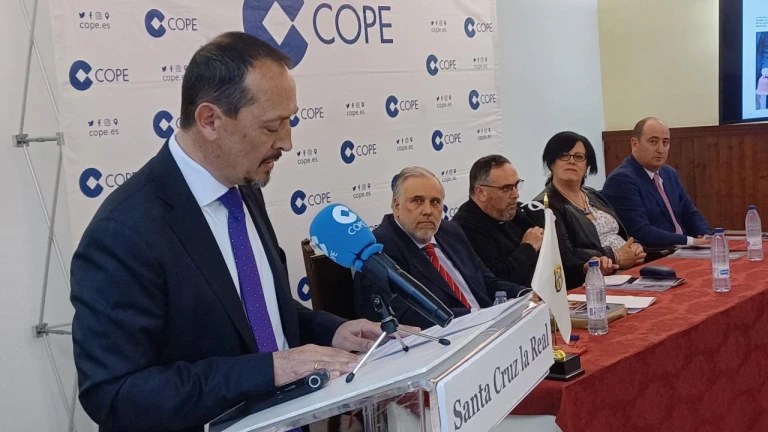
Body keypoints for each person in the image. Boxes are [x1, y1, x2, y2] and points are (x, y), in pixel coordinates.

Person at [69, 32, 412, 432]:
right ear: (210, 120)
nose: (287, 142)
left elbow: (257, 311)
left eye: (290, 120)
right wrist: (270, 370)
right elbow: (116, 395)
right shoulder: (123, 232)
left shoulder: (243, 186)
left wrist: (332, 331)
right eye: (271, 127)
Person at [353, 166, 528, 330]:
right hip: (447, 338)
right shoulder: (379, 248)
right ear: (397, 206)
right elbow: (404, 316)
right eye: (417, 201)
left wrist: (524, 295)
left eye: (435, 202)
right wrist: (478, 315)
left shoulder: (449, 230)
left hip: (490, 326)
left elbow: (486, 279)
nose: (428, 211)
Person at [535, 132, 646, 289]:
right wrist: (615, 257)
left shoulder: (592, 194)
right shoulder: (545, 205)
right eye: (564, 156)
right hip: (592, 281)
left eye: (579, 157)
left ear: (587, 166)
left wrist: (634, 248)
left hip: (628, 271)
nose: (571, 161)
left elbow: (622, 233)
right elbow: (566, 256)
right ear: (551, 163)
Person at [602, 117, 711, 247]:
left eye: (665, 143)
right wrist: (691, 241)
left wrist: (706, 235)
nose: (661, 149)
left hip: (683, 248)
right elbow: (641, 231)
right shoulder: (621, 179)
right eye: (653, 142)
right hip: (656, 252)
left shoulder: (669, 173)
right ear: (635, 143)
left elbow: (689, 213)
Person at [452, 155, 542, 287]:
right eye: (506, 188)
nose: (516, 194)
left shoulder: (513, 212)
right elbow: (496, 279)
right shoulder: (465, 226)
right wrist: (528, 247)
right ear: (481, 192)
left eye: (516, 185)